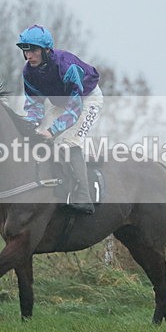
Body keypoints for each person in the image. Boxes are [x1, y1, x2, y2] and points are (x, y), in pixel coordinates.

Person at [16, 24, 103, 214]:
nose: (29, 56)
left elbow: (75, 107)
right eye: (25, 51)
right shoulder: (28, 72)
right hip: (62, 103)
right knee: (38, 137)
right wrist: (32, 126)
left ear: (47, 50)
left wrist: (53, 130)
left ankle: (84, 195)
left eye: (33, 50)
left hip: (86, 99)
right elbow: (34, 105)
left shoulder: (66, 66)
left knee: (68, 141)